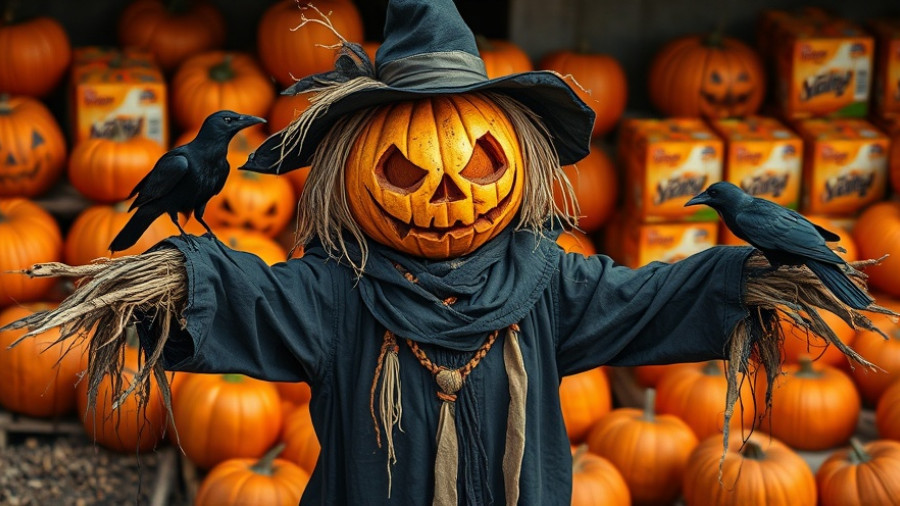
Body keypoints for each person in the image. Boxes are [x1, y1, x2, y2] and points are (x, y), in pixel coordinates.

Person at [3, 0, 883, 505]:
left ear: (522, 163)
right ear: (351, 171)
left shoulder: (550, 286)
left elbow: (648, 299)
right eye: (404, 168)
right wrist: (165, 278)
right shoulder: (337, 294)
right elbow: (251, 294)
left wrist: (753, 275)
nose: (450, 193)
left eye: (481, 162)